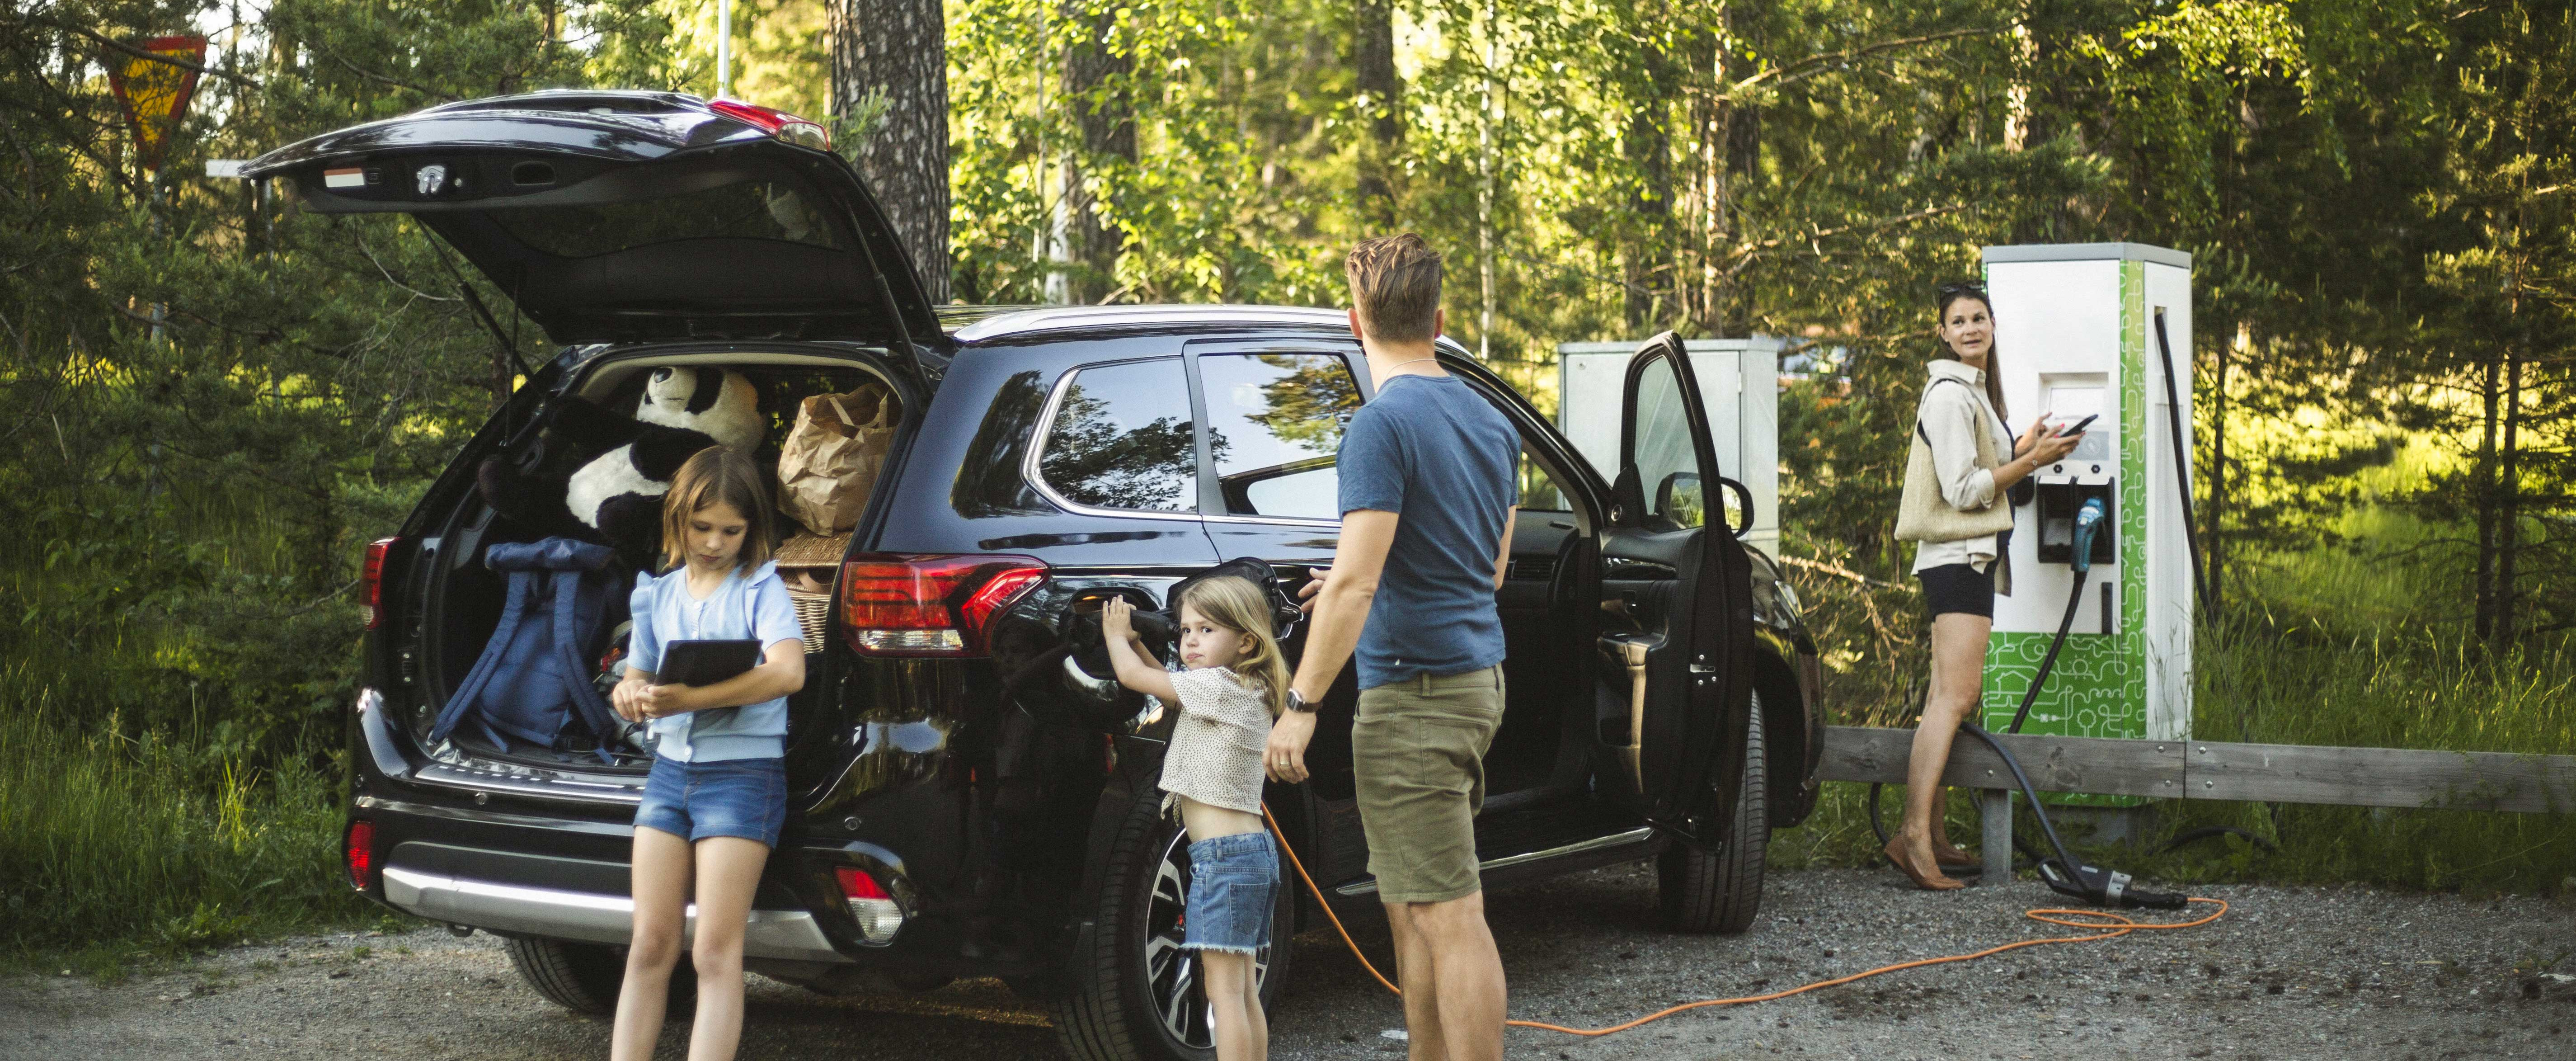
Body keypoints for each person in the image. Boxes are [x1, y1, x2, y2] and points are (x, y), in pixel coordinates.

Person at [1265, 233, 1518, 1061]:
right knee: (1414, 902)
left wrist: (1299, 707)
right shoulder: (1489, 419)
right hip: (1475, 679)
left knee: (1449, 910)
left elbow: (1358, 585)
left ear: (1355, 321)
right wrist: (1351, 579)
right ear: (1439, 320)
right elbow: (1486, 567)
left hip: (1415, 699)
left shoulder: (1380, 425)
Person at [606, 446, 807, 1061]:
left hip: (743, 777)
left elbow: (789, 672)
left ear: (751, 531)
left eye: (731, 530)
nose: (715, 542)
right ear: (677, 517)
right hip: (669, 776)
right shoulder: (657, 595)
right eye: (702, 527)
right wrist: (631, 693)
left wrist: (693, 696)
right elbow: (629, 679)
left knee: (714, 953)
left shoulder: (760, 588)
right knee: (649, 944)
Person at [1886, 281, 2083, 890]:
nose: (1970, 327)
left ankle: (1931, 833)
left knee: (1943, 696)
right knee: (1956, 698)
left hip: (1964, 558)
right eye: (1958, 320)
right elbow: (1964, 488)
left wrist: (2022, 446)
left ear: (1992, 326)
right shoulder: (1949, 395)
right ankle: (1915, 837)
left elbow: (1983, 468)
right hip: (1958, 558)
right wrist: (2032, 461)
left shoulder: (1974, 394)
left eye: (1979, 317)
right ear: (1942, 333)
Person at [1098, 577, 1288, 1061]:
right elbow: (1168, 688)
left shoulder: (1219, 686)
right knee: (1242, 989)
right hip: (1247, 856)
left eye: (1206, 630)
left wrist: (1117, 635)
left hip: (1224, 861)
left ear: (1246, 640)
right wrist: (1142, 644)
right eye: (1185, 631)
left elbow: (1135, 679)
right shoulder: (1244, 686)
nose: (1190, 641)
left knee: (1224, 995)